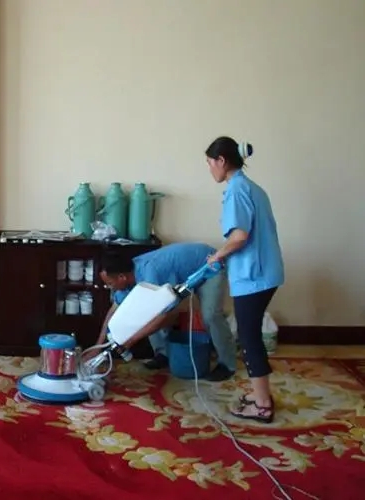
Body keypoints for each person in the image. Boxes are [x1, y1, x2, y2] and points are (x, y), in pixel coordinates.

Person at [204, 136, 284, 423]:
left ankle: (262, 405)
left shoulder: (237, 189)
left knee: (249, 339)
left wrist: (217, 256)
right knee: (251, 336)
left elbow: (239, 236)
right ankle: (260, 394)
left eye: (210, 163)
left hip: (253, 276)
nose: (210, 169)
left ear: (222, 161)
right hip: (266, 271)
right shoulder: (253, 187)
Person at [94, 242, 237, 381]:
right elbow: (113, 312)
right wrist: (97, 347)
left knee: (211, 315)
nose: (110, 288)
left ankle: (227, 365)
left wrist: (130, 342)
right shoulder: (127, 279)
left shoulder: (151, 275)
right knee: (147, 312)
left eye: (110, 284)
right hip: (188, 269)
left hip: (209, 264)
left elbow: (165, 316)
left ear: (121, 277)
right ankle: (163, 355)